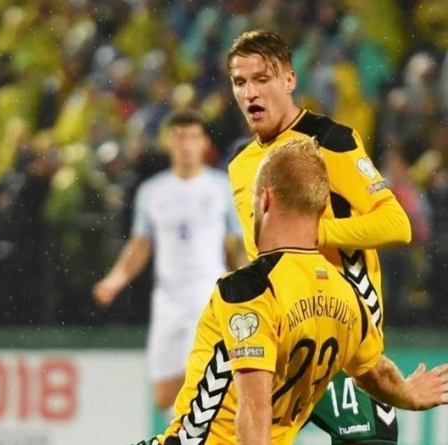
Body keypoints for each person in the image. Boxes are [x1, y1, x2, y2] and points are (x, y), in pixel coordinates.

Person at [133, 138, 448, 445]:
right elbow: (375, 373)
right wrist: (410, 395)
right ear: (320, 207)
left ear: (265, 199)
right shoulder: (350, 297)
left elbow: (255, 409)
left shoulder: (249, 290)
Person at [225, 29, 412, 444]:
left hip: (342, 339)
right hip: (281, 342)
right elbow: (261, 252)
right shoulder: (240, 165)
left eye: (262, 79)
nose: (250, 93)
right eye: (240, 82)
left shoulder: (330, 140)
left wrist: (315, 233)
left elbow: (396, 224)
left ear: (289, 80)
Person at [92, 111, 243, 418]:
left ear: (204, 143)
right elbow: (140, 245)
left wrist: (249, 285)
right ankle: (188, 432)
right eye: (179, 137)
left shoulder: (221, 187)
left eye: (193, 137)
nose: (186, 145)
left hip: (208, 298)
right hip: (168, 301)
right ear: (168, 142)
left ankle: (206, 434)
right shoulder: (153, 191)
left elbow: (240, 244)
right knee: (164, 395)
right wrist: (114, 280)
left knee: (203, 381)